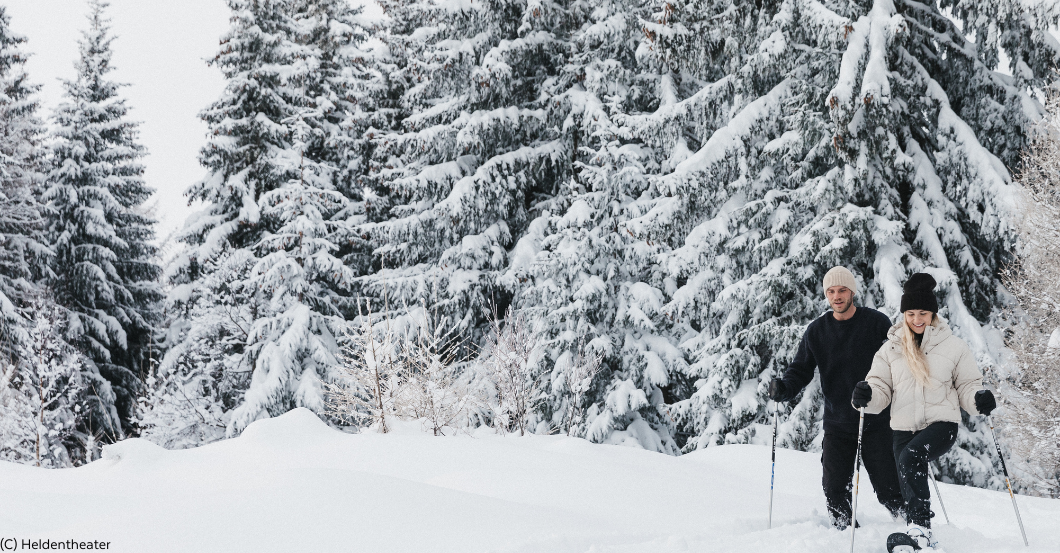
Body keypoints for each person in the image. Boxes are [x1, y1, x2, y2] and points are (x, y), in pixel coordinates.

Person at [852, 273, 996, 550]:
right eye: (911, 313)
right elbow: (879, 390)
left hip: (942, 423)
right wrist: (866, 396)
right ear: (904, 314)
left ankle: (921, 530)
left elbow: (967, 386)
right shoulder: (890, 349)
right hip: (903, 427)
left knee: (911, 457)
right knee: (905, 470)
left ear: (933, 314)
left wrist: (978, 400)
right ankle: (914, 532)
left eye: (923, 313)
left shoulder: (953, 346)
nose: (917, 319)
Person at [769, 266, 905, 529]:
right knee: (833, 489)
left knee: (889, 490)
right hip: (838, 425)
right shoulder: (817, 331)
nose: (837, 296)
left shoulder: (876, 323)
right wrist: (784, 388)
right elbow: (800, 370)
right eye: (831, 291)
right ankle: (845, 535)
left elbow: (897, 363)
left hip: (876, 422)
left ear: (852, 291)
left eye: (842, 290)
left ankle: (910, 528)